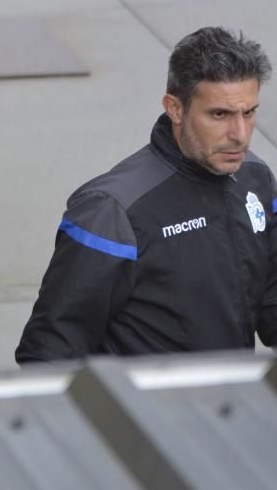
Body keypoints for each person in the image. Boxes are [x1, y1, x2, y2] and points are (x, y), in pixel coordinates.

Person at [17, 27, 277, 362]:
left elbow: (272, 294)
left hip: (227, 405)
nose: (240, 135)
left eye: (249, 112)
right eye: (219, 114)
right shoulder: (112, 212)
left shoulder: (255, 178)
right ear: (175, 108)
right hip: (146, 413)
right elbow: (51, 350)